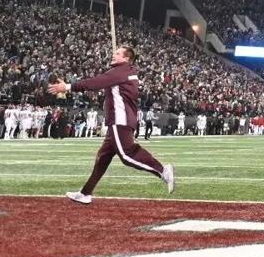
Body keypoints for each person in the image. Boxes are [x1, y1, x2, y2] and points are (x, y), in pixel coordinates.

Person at [48, 45, 175, 204]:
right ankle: (86, 193)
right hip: (121, 119)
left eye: (117, 53)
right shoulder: (126, 72)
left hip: (119, 120)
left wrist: (68, 86)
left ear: (127, 58)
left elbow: (96, 82)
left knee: (127, 154)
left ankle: (163, 171)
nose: (113, 55)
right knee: (103, 158)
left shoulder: (120, 72)